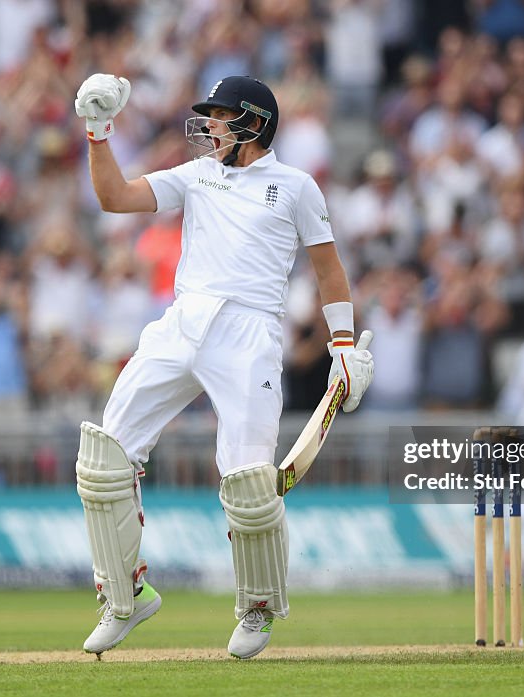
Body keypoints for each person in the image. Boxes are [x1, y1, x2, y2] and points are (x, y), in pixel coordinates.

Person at [72, 74, 374, 659]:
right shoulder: (197, 174)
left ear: (253, 123)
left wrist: (340, 345)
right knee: (105, 456)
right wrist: (97, 133)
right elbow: (115, 198)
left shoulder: (295, 186)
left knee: (249, 483)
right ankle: (124, 597)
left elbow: (329, 270)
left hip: (250, 332)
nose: (207, 126)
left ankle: (258, 607)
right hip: (183, 319)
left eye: (218, 115)